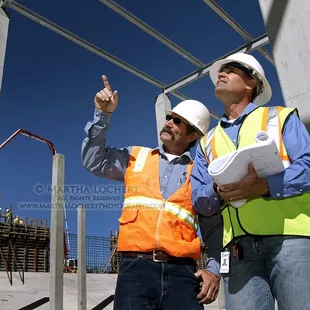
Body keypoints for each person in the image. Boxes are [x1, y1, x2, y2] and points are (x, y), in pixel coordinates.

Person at [81, 75, 220, 309]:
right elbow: (92, 161)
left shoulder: (199, 174)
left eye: (178, 121)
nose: (169, 123)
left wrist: (214, 271)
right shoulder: (136, 156)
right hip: (135, 271)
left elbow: (214, 228)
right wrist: (103, 115)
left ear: (193, 135)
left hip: (183, 274)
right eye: (170, 117)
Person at [191, 52, 310, 310]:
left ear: (250, 83)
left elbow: (308, 166)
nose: (220, 74)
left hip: (290, 239)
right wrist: (217, 189)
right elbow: (198, 199)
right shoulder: (206, 143)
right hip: (237, 250)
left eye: (230, 70)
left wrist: (264, 186)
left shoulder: (281, 117)